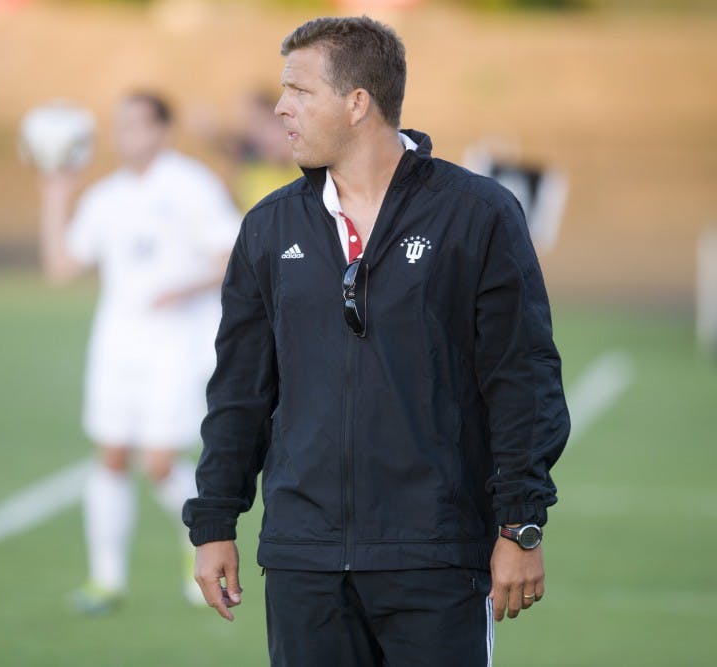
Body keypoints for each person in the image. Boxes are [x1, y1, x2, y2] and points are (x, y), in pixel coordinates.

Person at [183, 16, 570, 666]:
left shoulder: (477, 214)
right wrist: (215, 522)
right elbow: (239, 391)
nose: (281, 108)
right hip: (304, 559)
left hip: (436, 556)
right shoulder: (269, 227)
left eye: (299, 91)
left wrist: (521, 523)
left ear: (357, 101)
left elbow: (521, 379)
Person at [39, 91, 241, 614]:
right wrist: (56, 192)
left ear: (162, 130)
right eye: (119, 125)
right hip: (116, 345)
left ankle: (198, 544)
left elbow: (233, 258)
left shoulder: (191, 185)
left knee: (157, 462)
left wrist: (185, 288)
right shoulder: (105, 196)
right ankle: (105, 581)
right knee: (108, 456)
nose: (126, 135)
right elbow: (61, 268)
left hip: (176, 346)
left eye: (137, 124)